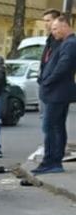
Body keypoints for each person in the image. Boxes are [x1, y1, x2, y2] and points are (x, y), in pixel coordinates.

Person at [33, 16, 76, 175]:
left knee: (51, 128)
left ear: (65, 26)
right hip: (57, 92)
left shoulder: (70, 44)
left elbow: (63, 67)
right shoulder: (65, 43)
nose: (53, 32)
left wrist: (47, 81)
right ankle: (53, 161)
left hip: (57, 93)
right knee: (56, 127)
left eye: (55, 29)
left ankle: (51, 162)